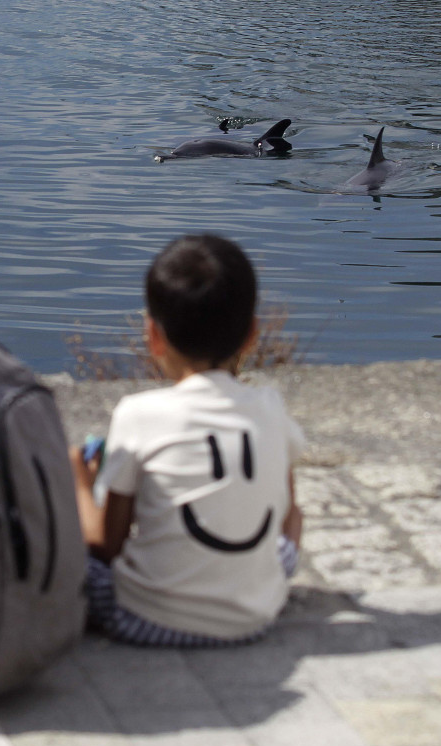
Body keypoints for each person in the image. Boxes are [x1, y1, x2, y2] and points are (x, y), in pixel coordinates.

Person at [69, 233, 303, 647]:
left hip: (146, 619)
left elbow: (106, 546)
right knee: (286, 539)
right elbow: (288, 516)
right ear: (252, 335)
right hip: (255, 614)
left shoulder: (138, 414)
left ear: (152, 335)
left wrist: (79, 485)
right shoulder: (271, 406)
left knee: (70, 561)